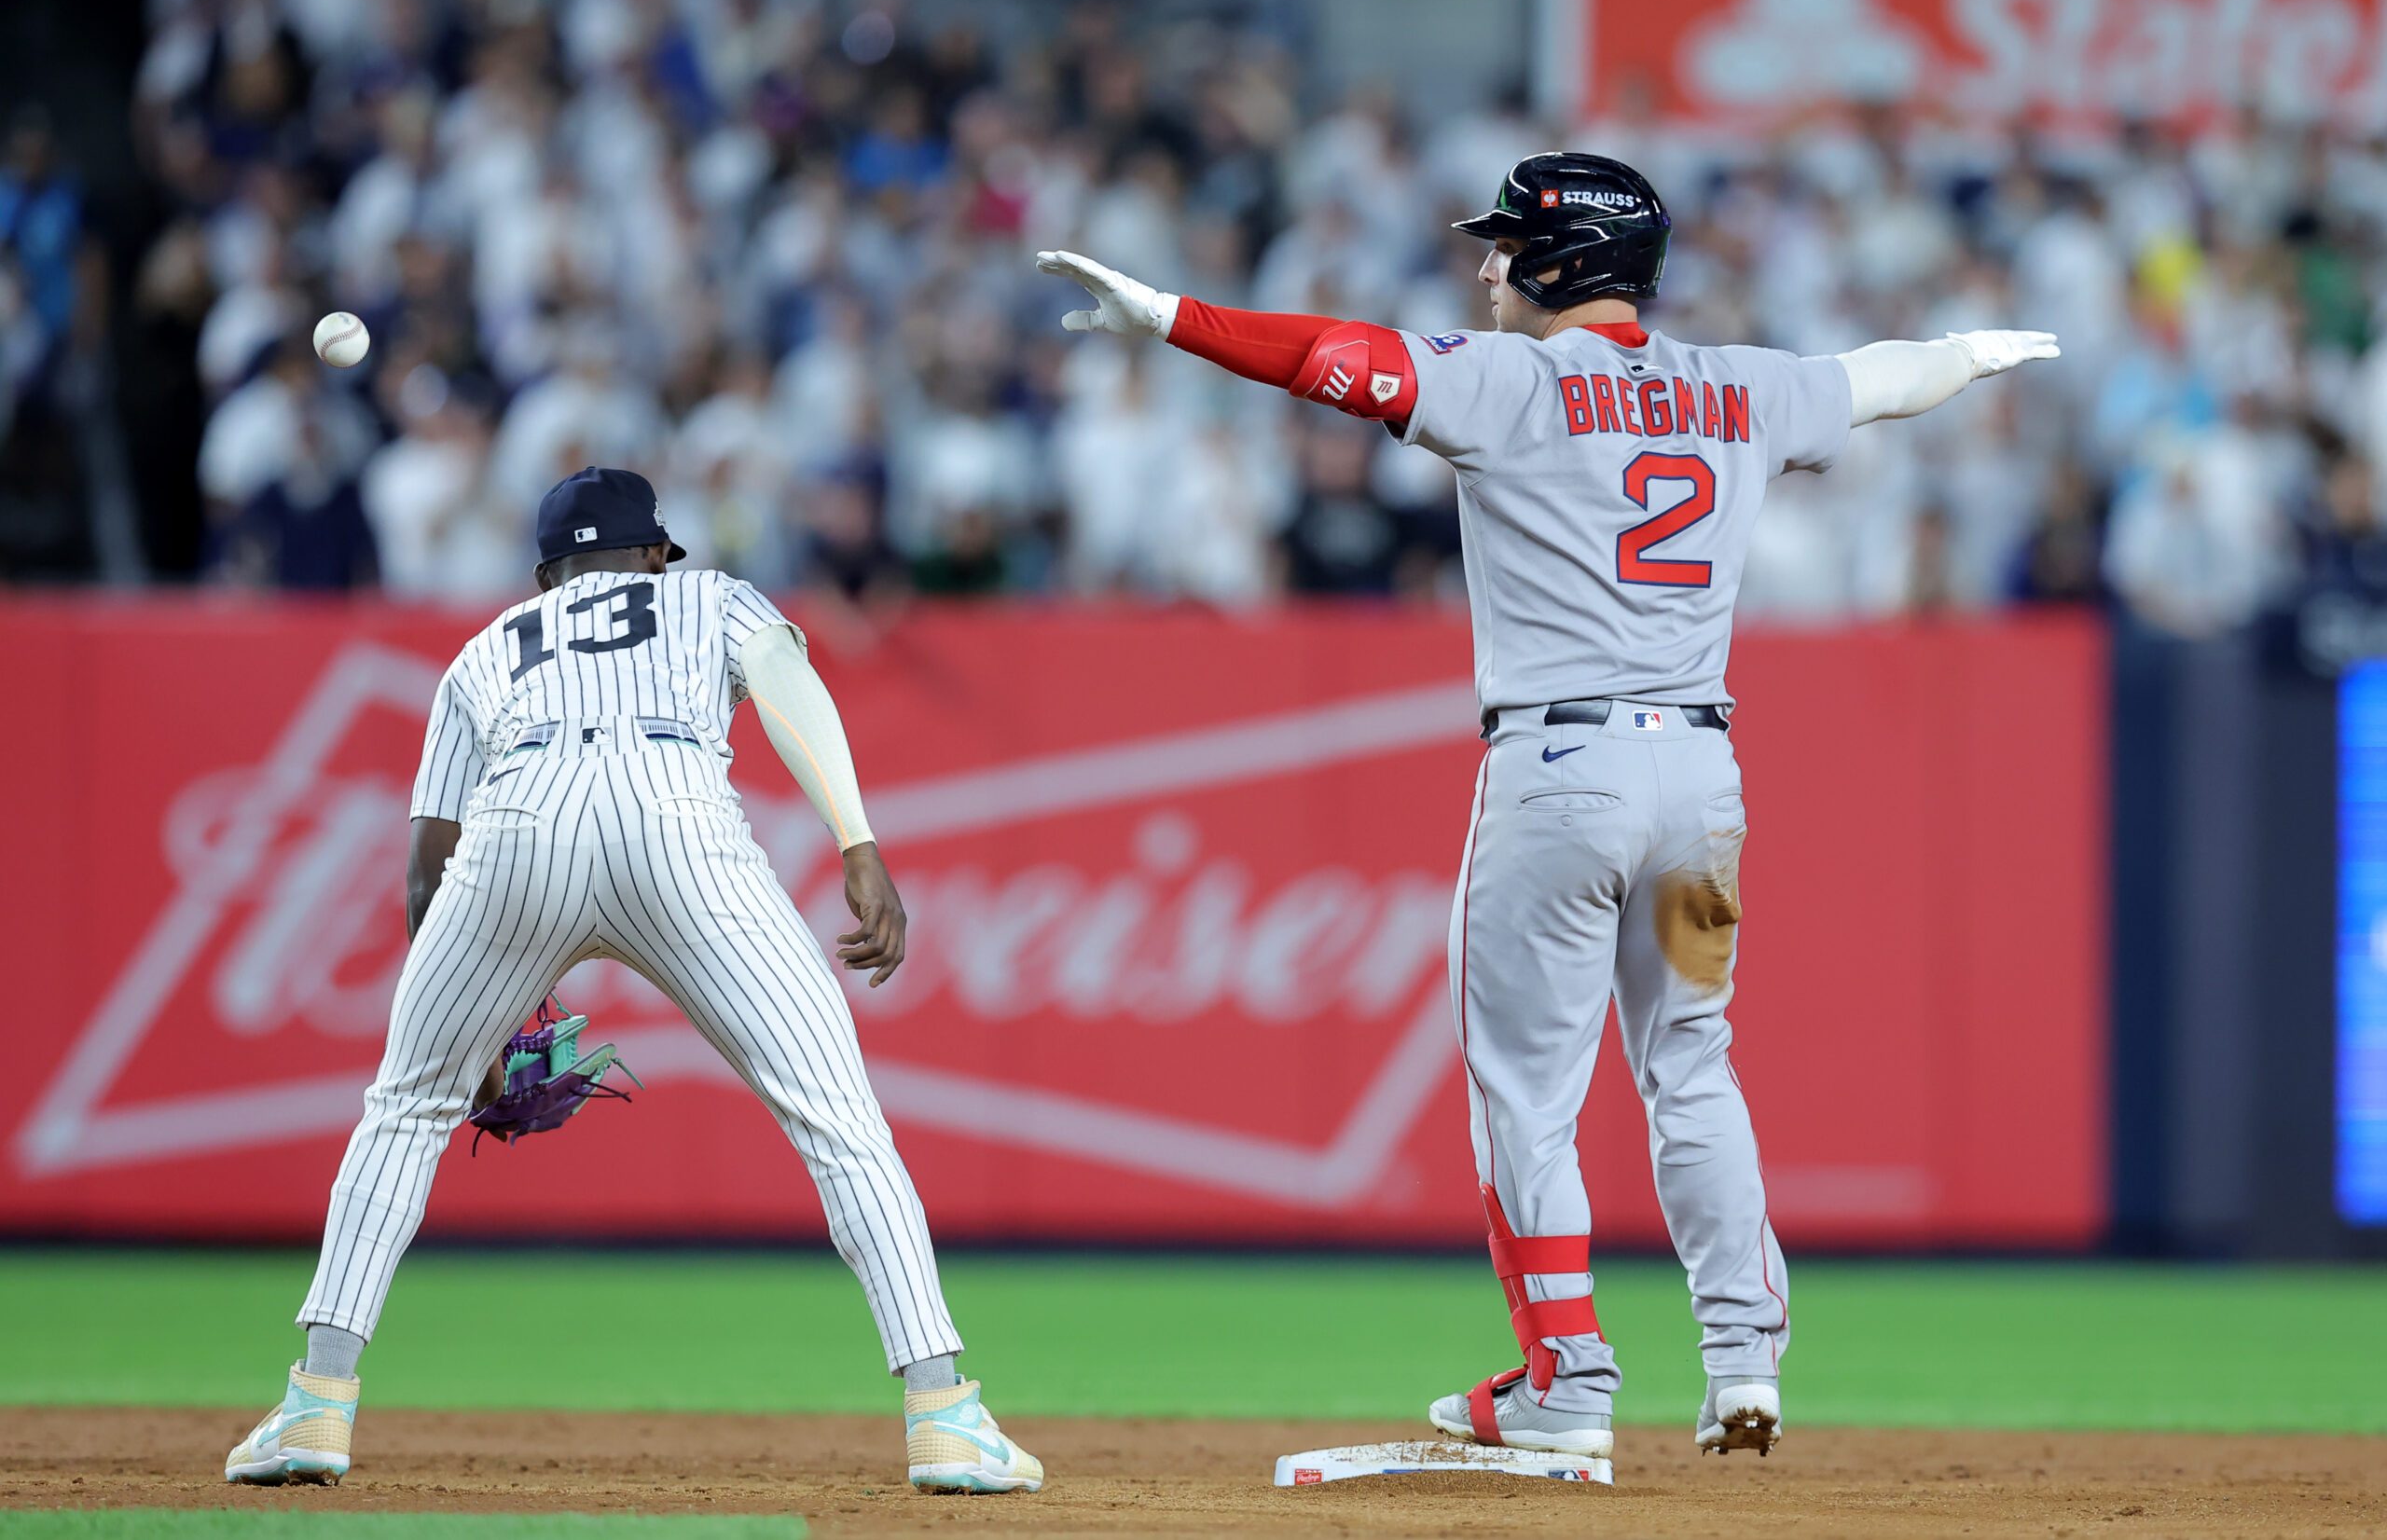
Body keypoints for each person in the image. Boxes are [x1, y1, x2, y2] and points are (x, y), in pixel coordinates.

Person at [1038, 151, 2057, 1472]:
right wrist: (1975, 348)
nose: (1484, 264)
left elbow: (1323, 356)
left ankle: (1567, 1374)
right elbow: (1885, 378)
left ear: (1558, 260)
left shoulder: (1507, 378)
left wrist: (1170, 315)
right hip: (1701, 791)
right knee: (1692, 1059)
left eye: (1505, 242)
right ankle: (1744, 1357)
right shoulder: (1740, 384)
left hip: (1561, 777)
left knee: (1526, 1088)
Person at [223, 465, 1042, 1497]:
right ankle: (944, 1415)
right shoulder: (708, 595)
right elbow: (790, 681)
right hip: (680, 825)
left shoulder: (485, 650)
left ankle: (315, 1405)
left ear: (545, 574)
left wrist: (469, 1036)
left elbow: (428, 867)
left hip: (519, 823)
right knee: (840, 1123)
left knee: (404, 1108)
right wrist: (858, 841)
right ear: (654, 553)